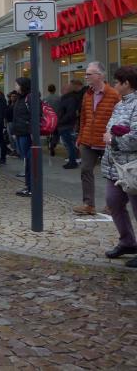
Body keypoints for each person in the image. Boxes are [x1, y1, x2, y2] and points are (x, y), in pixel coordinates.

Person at [101, 65, 137, 268]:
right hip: (115, 166)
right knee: (113, 201)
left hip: (132, 168)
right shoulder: (120, 104)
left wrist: (113, 140)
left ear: (127, 83)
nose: (114, 85)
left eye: (116, 81)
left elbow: (135, 137)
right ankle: (128, 242)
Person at [76, 61, 120, 215]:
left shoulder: (113, 94)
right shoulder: (87, 94)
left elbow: (120, 118)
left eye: (89, 74)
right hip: (88, 140)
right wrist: (80, 136)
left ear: (100, 76)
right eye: (86, 74)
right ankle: (89, 205)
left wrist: (115, 138)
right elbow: (83, 117)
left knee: (112, 174)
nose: (86, 77)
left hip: (106, 141)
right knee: (85, 170)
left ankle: (112, 205)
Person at [12, 77, 33, 197]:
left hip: (26, 133)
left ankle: (31, 187)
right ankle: (28, 186)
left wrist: (31, 130)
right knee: (26, 160)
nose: (15, 86)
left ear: (22, 85)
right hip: (20, 132)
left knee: (29, 161)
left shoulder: (29, 98)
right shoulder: (20, 98)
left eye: (17, 84)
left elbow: (34, 115)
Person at [57, 79, 84, 169]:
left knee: (70, 144)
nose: (62, 91)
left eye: (64, 89)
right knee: (69, 144)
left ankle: (73, 161)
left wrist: (61, 121)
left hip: (66, 125)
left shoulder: (70, 99)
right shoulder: (67, 98)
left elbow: (70, 113)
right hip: (65, 124)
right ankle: (72, 160)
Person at [44, 83, 61, 156]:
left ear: (48, 90)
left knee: (48, 132)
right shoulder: (59, 98)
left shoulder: (45, 99)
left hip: (48, 118)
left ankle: (49, 143)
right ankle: (53, 144)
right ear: (55, 90)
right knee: (56, 133)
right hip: (56, 118)